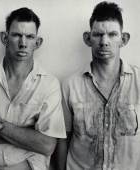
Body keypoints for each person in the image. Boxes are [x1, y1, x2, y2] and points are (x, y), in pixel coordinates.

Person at [0, 7, 66, 170]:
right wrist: (26, 136)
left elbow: (47, 145)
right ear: (4, 38)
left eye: (29, 37)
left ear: (38, 42)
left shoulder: (49, 84)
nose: (23, 43)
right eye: (16, 35)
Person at [58, 1, 140, 170]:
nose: (104, 41)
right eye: (98, 34)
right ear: (87, 38)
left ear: (123, 39)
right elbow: (62, 139)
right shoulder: (70, 85)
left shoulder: (139, 81)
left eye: (112, 34)